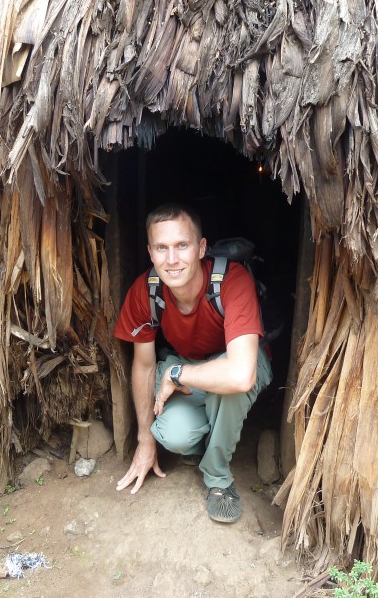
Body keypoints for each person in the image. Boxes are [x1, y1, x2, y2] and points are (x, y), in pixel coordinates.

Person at [113, 203, 272, 523]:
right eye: (162, 248)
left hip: (242, 363)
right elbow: (143, 366)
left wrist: (176, 374)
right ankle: (208, 437)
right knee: (171, 435)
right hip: (187, 365)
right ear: (150, 252)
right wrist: (145, 439)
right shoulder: (146, 291)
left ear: (201, 248)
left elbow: (241, 374)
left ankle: (218, 477)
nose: (171, 260)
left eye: (182, 245)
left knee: (227, 388)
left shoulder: (232, 281)